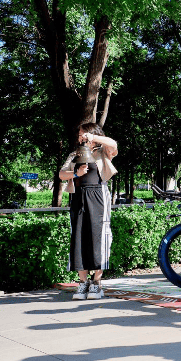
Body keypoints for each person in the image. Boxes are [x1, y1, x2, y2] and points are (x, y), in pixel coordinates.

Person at [59, 123, 118, 300]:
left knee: (98, 236)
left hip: (98, 195)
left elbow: (113, 143)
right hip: (78, 197)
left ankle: (96, 284)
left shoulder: (102, 152)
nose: (80, 137)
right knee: (78, 237)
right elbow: (62, 174)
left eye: (82, 134)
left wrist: (92, 138)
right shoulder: (75, 154)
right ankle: (83, 283)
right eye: (79, 134)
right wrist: (76, 173)